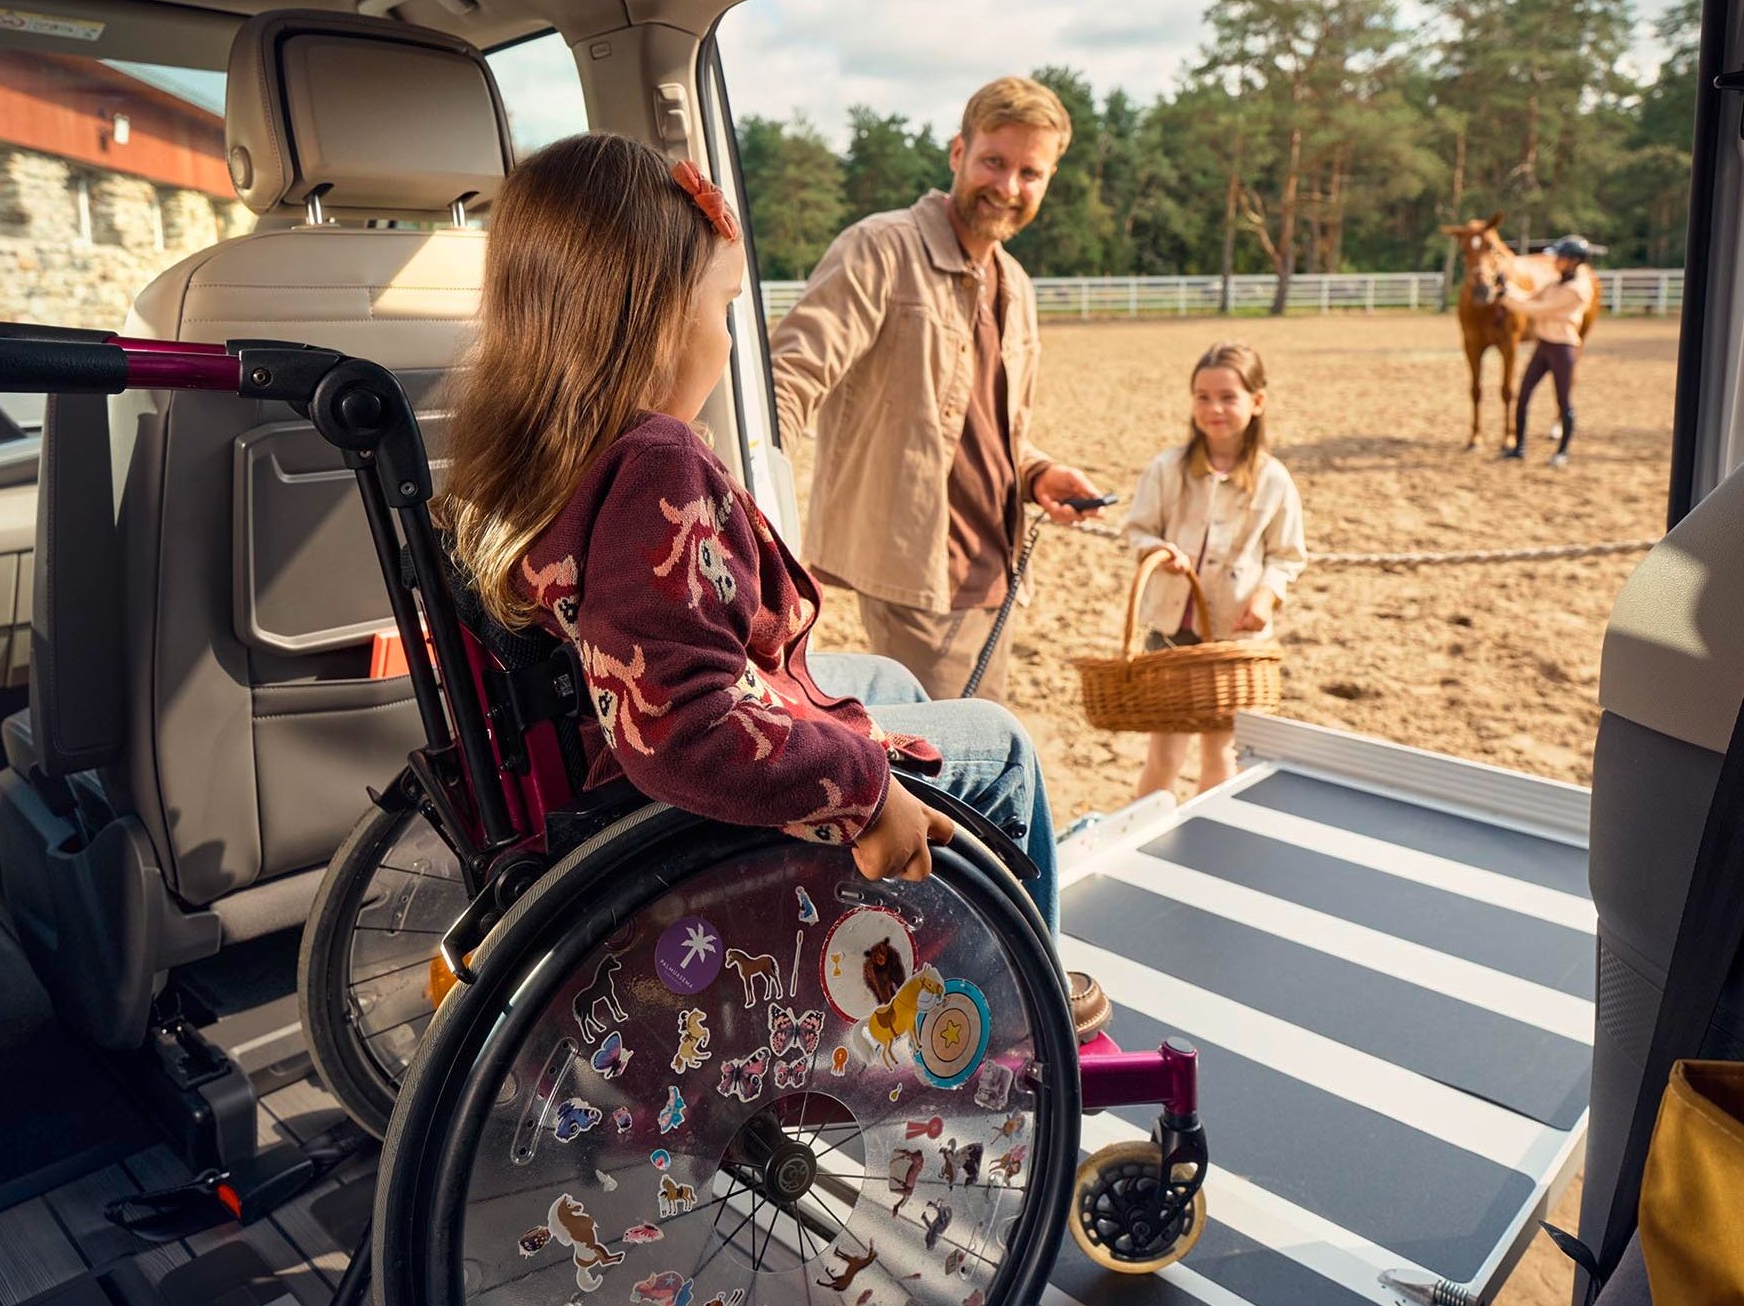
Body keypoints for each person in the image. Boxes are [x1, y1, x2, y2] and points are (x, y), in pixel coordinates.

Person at [441, 131, 1108, 1033]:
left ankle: (937, 933)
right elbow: (684, 724)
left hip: (604, 741)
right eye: (721, 310)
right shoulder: (655, 464)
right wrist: (866, 790)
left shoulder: (534, 438)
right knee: (1003, 748)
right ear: (652, 317)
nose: (726, 335)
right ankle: (1021, 1004)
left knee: (891, 683)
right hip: (675, 802)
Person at [768, 75, 1106, 704]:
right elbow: (787, 380)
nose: (1008, 187)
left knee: (979, 750)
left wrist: (1037, 476)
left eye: (1030, 173)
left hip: (997, 571)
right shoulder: (879, 249)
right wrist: (750, 507)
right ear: (958, 153)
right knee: (954, 772)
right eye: (993, 162)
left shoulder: (1017, 286)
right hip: (916, 572)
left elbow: (991, 435)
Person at [1122, 343, 1308, 803]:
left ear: (1257, 402)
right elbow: (1137, 530)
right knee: (1163, 754)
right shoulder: (1167, 469)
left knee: (1220, 753)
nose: (1214, 408)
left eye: (1228, 397)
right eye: (1202, 397)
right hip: (1171, 633)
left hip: (1233, 638)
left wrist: (1266, 597)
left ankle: (1206, 844)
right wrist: (1159, 550)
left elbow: (1287, 555)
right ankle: (1143, 835)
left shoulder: (1274, 479)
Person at [1507, 234, 1599, 467]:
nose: (1555, 260)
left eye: (1559, 257)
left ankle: (1562, 452)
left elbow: (1536, 309)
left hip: (1562, 349)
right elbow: (1527, 296)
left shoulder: (1576, 290)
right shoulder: (1555, 283)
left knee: (1563, 401)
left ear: (1573, 260)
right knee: (1523, 395)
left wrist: (1504, 299)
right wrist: (1505, 287)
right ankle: (1518, 447)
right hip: (1544, 346)